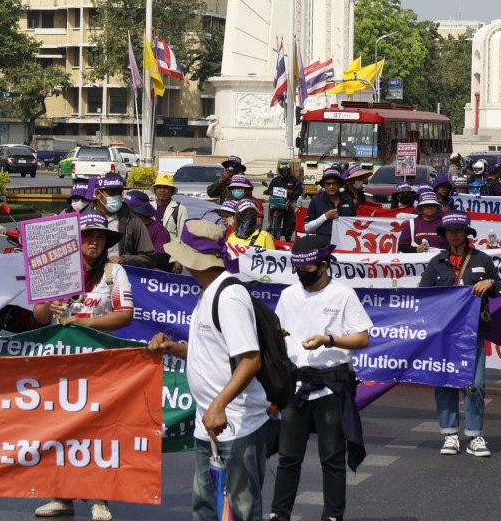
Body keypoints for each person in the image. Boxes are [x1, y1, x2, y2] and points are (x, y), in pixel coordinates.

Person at [147, 221, 271, 521]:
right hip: (211, 425)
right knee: (206, 508)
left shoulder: (228, 297)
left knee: (239, 511)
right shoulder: (208, 292)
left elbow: (251, 360)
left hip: (236, 423)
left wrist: (218, 405)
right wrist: (173, 348)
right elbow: (211, 352)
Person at [33, 212, 133, 521]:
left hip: (100, 365)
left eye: (100, 237)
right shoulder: (57, 270)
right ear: (77, 240)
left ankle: (100, 500)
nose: (94, 241)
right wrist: (48, 306)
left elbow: (125, 315)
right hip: (59, 367)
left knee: (98, 434)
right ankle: (61, 497)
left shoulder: (113, 274)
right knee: (59, 431)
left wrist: (82, 320)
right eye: (88, 235)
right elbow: (38, 316)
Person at [269, 236, 371, 521]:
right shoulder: (289, 295)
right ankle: (279, 513)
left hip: (332, 385)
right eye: (297, 268)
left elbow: (362, 338)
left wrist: (329, 340)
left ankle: (332, 515)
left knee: (332, 458)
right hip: (296, 385)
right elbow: (280, 332)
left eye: (308, 268)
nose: (302, 274)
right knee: (288, 456)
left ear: (323, 265)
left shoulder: (343, 294)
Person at [419, 211, 501, 457]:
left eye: (459, 230)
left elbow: (500, 287)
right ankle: (450, 435)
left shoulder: (482, 259)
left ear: (467, 233)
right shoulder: (436, 262)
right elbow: (423, 295)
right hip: (444, 335)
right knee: (444, 382)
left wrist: (489, 283)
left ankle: (475, 436)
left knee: (474, 384)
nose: (454, 234)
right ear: (444, 234)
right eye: (449, 230)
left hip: (473, 333)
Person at [90, 173, 156, 268]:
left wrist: (124, 260)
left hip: (120, 278)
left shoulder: (133, 221)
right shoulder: (83, 219)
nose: (116, 197)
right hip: (90, 278)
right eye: (112, 192)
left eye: (119, 193)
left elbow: (150, 258)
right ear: (97, 194)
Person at [125, 190, 175, 271]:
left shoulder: (160, 231)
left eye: (128, 212)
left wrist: (128, 259)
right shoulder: (123, 226)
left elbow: (158, 260)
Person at [304, 168, 354, 243]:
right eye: (328, 183)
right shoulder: (316, 201)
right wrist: (325, 216)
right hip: (323, 244)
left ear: (339, 184)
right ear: (323, 185)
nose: (331, 186)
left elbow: (354, 223)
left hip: (346, 243)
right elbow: (307, 228)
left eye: (334, 183)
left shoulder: (348, 200)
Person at [264, 161, 303, 242]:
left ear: (289, 170)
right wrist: (268, 191)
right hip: (278, 200)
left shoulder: (294, 180)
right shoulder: (275, 180)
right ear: (279, 171)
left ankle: (296, 224)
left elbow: (299, 188)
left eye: (286, 170)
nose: (285, 172)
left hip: (290, 200)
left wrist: (295, 192)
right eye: (283, 170)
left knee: (295, 208)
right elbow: (270, 188)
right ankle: (271, 223)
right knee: (270, 205)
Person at [151, 172, 188, 242]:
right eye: (159, 187)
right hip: (151, 250)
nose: (162, 190)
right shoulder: (149, 207)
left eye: (166, 187)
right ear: (155, 190)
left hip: (170, 251)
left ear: (172, 190)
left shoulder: (180, 209)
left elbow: (182, 236)